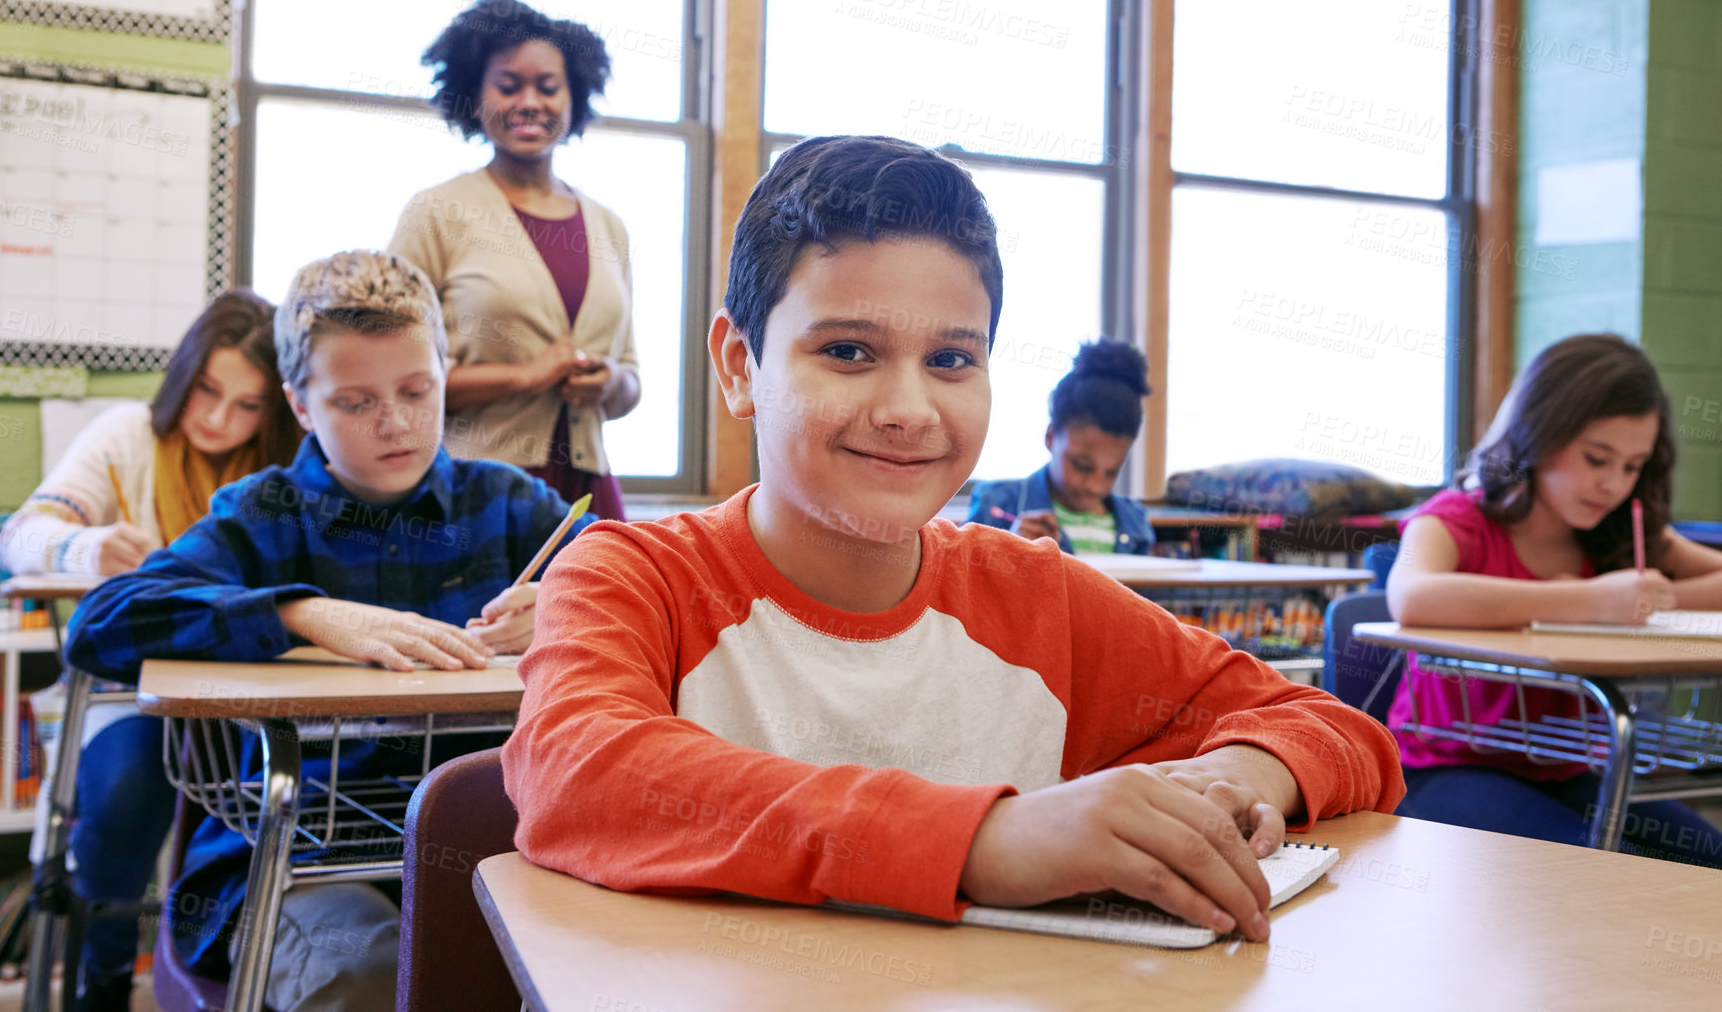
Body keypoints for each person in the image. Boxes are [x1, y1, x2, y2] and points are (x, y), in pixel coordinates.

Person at [503, 136, 1403, 942]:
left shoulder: (1038, 601)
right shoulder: (635, 576)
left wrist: (1234, 779)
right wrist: (985, 840)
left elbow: (1331, 726)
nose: (907, 411)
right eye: (848, 351)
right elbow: (576, 771)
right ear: (742, 365)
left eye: (951, 360)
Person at [65, 251, 594, 1011]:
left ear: (446, 369)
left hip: (496, 847)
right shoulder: (260, 515)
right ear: (302, 405)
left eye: (418, 389)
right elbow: (100, 624)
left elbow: (656, 598)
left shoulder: (512, 507)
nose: (396, 422)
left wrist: (570, 603)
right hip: (298, 862)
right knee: (372, 977)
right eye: (354, 401)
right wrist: (302, 614)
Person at [0, 290, 300, 1012]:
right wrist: (89, 544)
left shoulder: (286, 471)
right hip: (132, 692)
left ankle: (240, 977)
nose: (221, 421)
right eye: (208, 390)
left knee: (284, 810)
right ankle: (103, 979)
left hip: (255, 697)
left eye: (249, 406)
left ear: (278, 410)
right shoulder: (127, 434)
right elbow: (19, 538)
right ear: (183, 374)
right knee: (124, 794)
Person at [1386, 333, 1722, 867]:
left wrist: (1649, 599)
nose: (1613, 484)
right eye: (1597, 458)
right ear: (1540, 432)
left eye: (1633, 467)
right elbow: (1412, 597)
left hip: (1568, 768)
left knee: (1706, 861)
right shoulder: (1459, 518)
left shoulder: (1615, 531)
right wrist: (1589, 599)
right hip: (1441, 767)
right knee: (1608, 875)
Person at [390, 0, 639, 519]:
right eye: (509, 86)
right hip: (474, 495)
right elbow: (394, 376)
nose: (530, 101)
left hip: (589, 492)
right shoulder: (435, 213)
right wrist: (524, 376)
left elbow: (631, 379)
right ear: (475, 99)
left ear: (574, 99)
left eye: (548, 87)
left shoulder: (607, 226)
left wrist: (611, 382)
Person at [965, 338, 1155, 553]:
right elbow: (960, 577)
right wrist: (1010, 552)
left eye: (1112, 472)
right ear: (1051, 437)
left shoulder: (1135, 520)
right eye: (1081, 466)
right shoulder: (998, 505)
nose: (1095, 485)